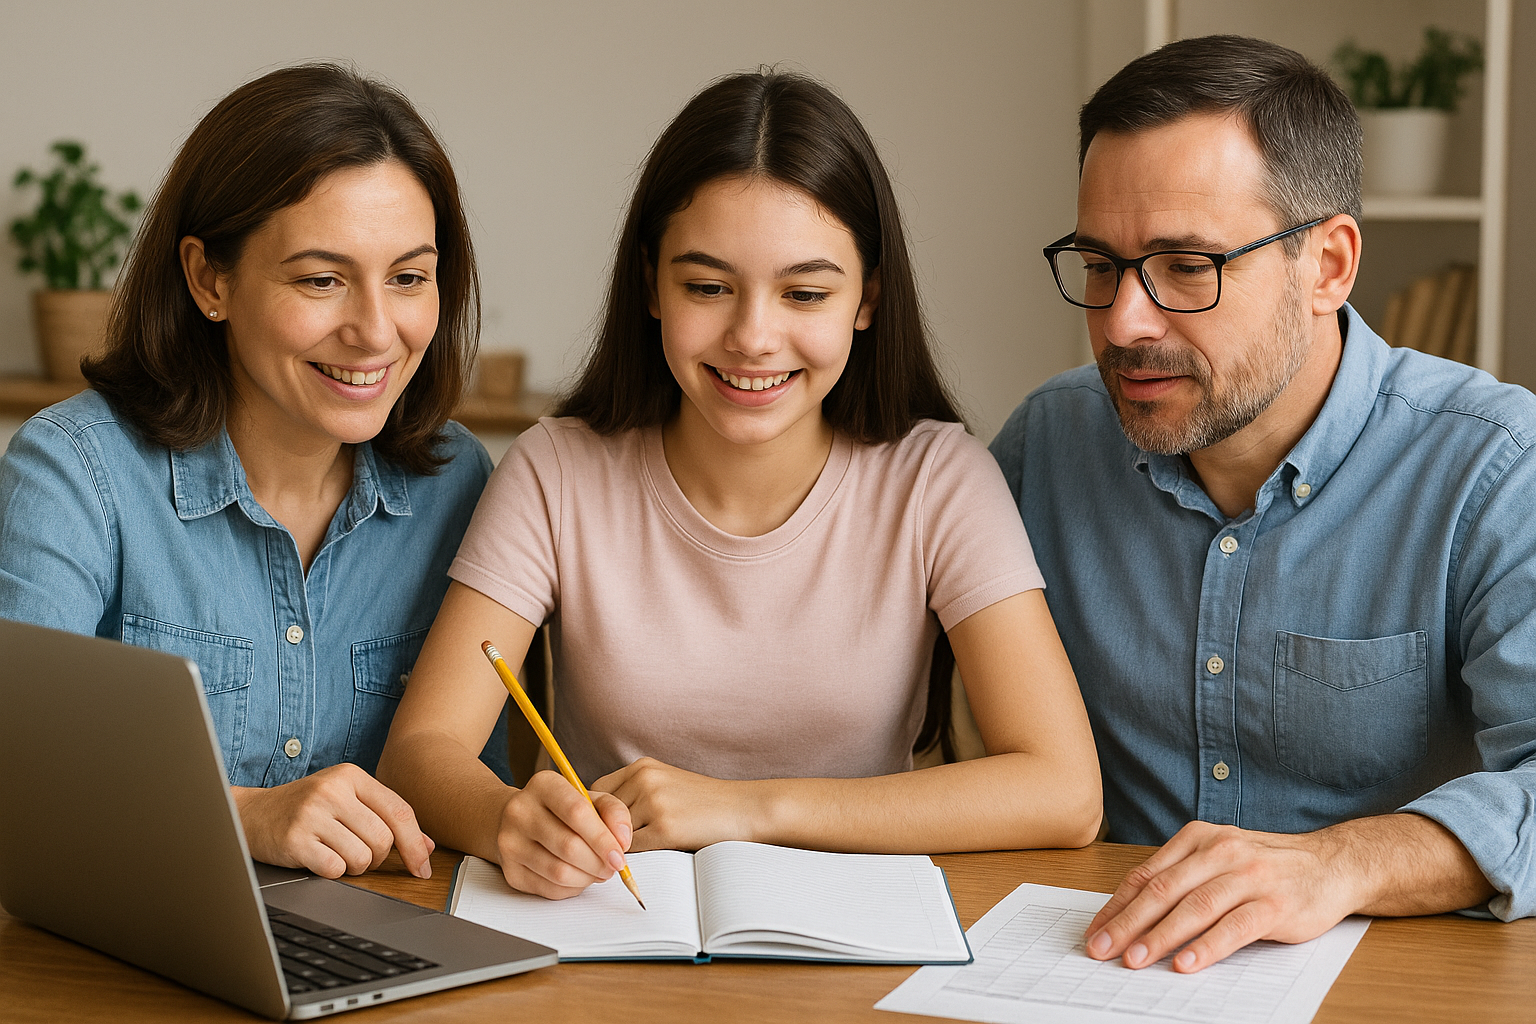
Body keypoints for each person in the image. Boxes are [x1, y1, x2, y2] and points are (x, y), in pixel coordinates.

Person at [378, 70, 1102, 900]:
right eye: (708, 287)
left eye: (805, 292)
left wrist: (744, 811)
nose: (754, 337)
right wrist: (508, 819)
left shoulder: (938, 479)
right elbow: (422, 749)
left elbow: (1065, 792)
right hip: (612, 924)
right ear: (651, 283)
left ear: (867, 297)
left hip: (854, 930)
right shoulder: (557, 469)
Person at [991, 34, 1536, 973]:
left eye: (1187, 267)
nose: (1123, 322)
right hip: (1089, 971)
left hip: (1397, 984)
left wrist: (1342, 864)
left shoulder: (1494, 468)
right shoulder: (1047, 445)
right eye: (1100, 264)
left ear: (1328, 265)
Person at [0, 64, 510, 882]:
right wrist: (243, 815)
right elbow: (17, 769)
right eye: (321, 279)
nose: (377, 332)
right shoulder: (74, 472)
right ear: (210, 279)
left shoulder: (457, 482)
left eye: (410, 278)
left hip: (381, 956)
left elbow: (467, 787)